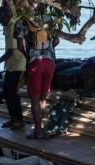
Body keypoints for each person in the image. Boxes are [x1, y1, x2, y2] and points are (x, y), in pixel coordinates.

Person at [14, 11, 60, 139]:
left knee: (34, 99)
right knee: (43, 97)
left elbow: (19, 45)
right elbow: (56, 40)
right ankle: (42, 127)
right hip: (50, 62)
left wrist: (28, 55)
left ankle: (38, 131)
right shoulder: (48, 18)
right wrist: (49, 50)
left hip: (35, 63)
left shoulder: (22, 21)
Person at [0, 6, 26, 131]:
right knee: (6, 91)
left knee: (13, 92)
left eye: (0, 19)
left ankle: (19, 119)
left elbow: (10, 51)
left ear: (6, 16)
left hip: (18, 63)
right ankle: (13, 117)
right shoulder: (8, 26)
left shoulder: (13, 26)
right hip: (11, 64)